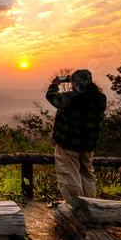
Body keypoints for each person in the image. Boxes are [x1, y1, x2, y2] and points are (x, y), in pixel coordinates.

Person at [46, 69, 107, 204]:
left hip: (68, 144)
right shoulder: (100, 98)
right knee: (87, 175)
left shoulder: (69, 98)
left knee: (69, 175)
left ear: (76, 83)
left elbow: (52, 97)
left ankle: (76, 206)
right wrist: (75, 80)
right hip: (88, 145)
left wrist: (54, 84)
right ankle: (91, 205)